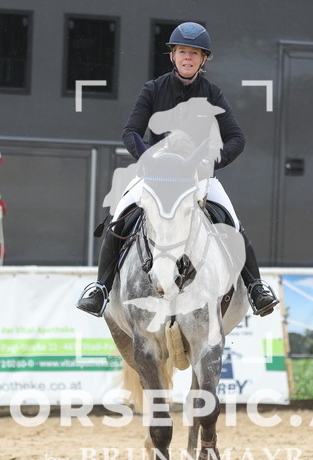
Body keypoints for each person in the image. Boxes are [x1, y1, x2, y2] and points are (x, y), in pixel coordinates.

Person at [76, 21, 279, 318]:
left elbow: (237, 138)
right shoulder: (153, 89)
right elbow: (131, 131)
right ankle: (100, 288)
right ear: (172, 55)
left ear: (203, 59)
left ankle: (256, 287)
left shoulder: (212, 93)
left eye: (194, 53)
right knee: (119, 216)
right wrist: (147, 159)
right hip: (157, 175)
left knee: (232, 221)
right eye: (183, 52)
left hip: (197, 177)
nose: (188, 58)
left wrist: (210, 162)